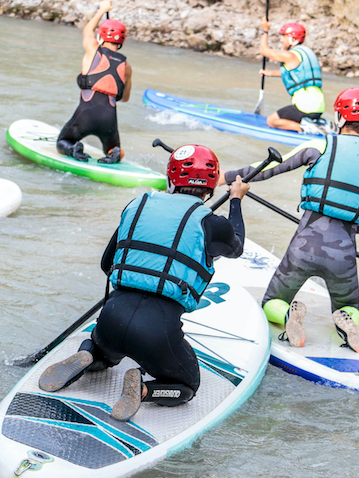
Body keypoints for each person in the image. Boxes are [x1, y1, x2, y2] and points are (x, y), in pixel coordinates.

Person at [38, 145, 250, 421]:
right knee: (187, 386)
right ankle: (144, 390)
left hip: (111, 319)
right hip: (157, 332)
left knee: (106, 352)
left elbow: (107, 263)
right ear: (211, 185)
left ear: (170, 179)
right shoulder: (212, 224)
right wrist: (236, 199)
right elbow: (237, 246)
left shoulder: (137, 204)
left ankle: (89, 354)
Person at [219, 88, 359, 354]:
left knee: (272, 301)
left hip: (304, 245)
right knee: (348, 307)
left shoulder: (321, 145)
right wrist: (353, 228)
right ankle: (345, 323)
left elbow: (271, 167)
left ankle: (288, 315)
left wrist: (226, 177)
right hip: (344, 252)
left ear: (340, 117)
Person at [55, 0, 133, 164]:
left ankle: (73, 148)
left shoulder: (93, 48)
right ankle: (115, 152)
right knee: (111, 148)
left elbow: (88, 30)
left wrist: (102, 10)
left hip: (86, 113)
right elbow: (125, 98)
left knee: (63, 141)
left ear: (102, 34)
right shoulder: (126, 67)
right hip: (109, 118)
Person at [257, 19, 325, 132]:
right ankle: (316, 123)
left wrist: (265, 30)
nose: (281, 40)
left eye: (283, 37)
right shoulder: (305, 53)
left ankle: (306, 128)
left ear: (292, 39)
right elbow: (295, 74)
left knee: (272, 120)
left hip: (305, 106)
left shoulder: (290, 55)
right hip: (318, 106)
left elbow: (264, 51)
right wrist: (270, 73)